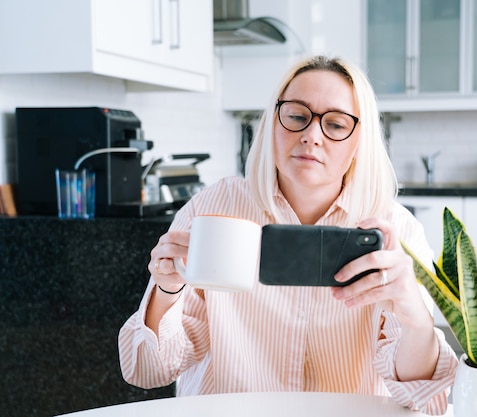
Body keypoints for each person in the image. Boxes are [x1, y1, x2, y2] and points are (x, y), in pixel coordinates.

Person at [118, 55, 458, 415]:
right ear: (272, 124)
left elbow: (422, 401)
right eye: (297, 116)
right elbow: (147, 370)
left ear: (359, 142)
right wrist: (168, 289)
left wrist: (415, 317)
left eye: (336, 124)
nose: (312, 136)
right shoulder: (216, 207)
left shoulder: (395, 229)